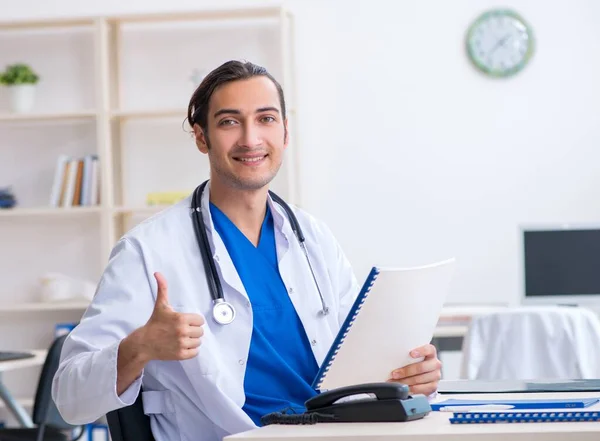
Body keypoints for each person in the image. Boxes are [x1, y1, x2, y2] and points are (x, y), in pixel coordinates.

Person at [52, 60, 442, 441]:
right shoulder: (148, 250)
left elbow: (357, 366)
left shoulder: (315, 239)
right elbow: (69, 396)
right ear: (201, 137)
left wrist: (407, 376)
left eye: (266, 119)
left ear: (285, 133)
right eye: (229, 121)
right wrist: (138, 348)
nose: (250, 139)